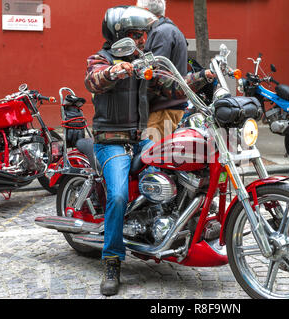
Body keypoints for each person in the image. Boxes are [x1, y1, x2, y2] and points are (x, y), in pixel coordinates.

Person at [84, 6, 215, 296]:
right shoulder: (100, 60)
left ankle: (164, 229)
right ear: (120, 36)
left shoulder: (143, 64)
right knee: (117, 195)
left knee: (176, 170)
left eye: (144, 35)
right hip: (111, 142)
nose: (144, 40)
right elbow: (94, 79)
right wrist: (115, 71)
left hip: (141, 139)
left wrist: (202, 75)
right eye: (137, 35)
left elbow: (173, 87)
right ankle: (112, 261)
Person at [136, 0, 190, 142]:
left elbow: (155, 73)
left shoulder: (161, 32)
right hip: (169, 105)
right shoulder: (168, 29)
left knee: (153, 154)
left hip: (164, 107)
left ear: (146, 11)